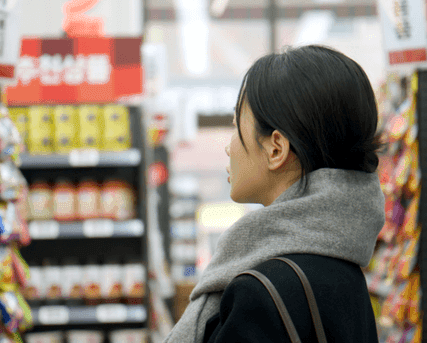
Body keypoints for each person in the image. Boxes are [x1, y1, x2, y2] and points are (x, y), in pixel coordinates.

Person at [163, 45, 385, 343]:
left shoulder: (259, 293)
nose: (229, 147)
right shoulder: (347, 269)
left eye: (235, 125)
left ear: (276, 148)